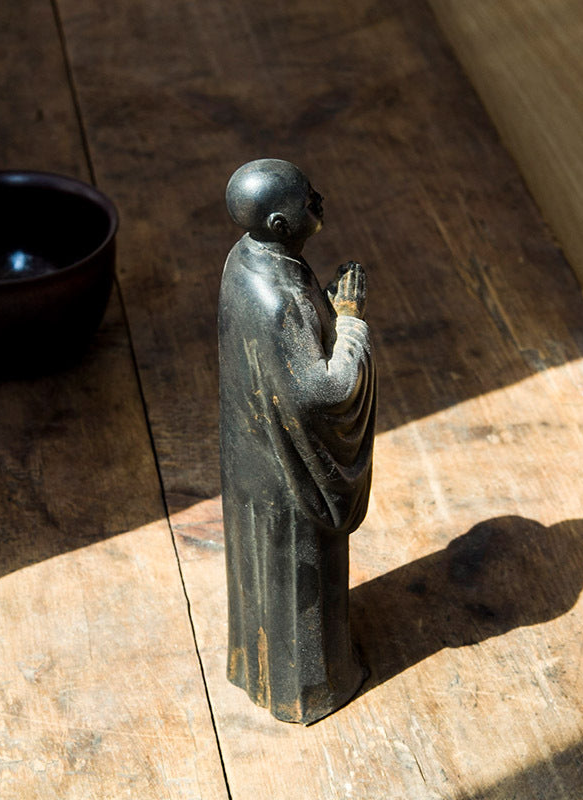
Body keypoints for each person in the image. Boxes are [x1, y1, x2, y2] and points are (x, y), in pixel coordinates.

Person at [219, 158, 376, 724]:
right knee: (296, 577)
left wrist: (325, 314)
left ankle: (256, 670)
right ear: (282, 223)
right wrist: (352, 319)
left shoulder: (246, 261)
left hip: (251, 462)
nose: (321, 199)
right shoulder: (277, 297)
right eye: (309, 199)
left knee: (263, 576)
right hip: (289, 474)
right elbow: (326, 390)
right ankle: (309, 688)